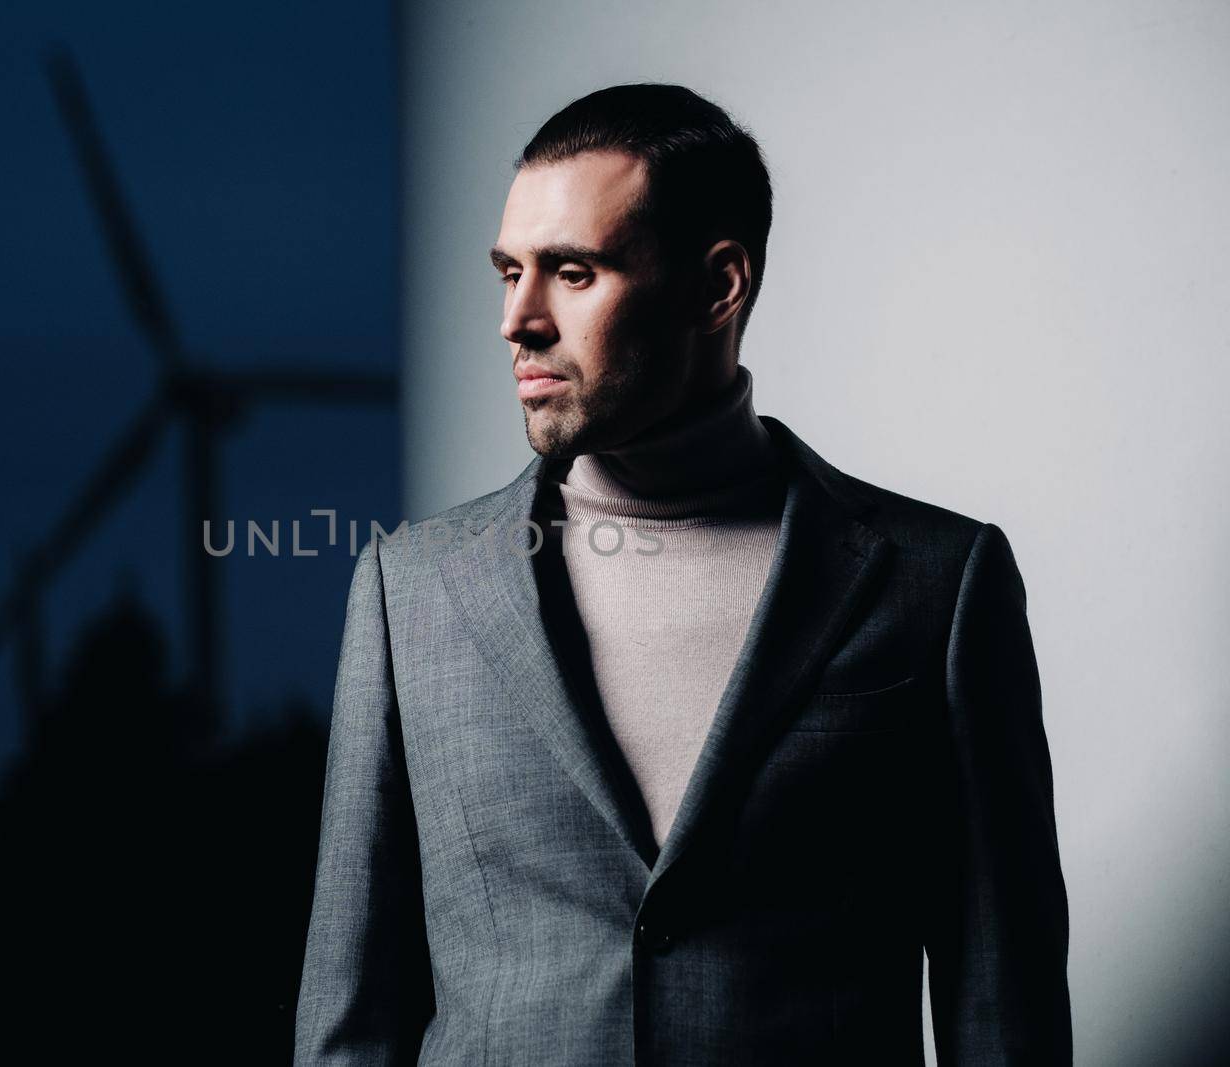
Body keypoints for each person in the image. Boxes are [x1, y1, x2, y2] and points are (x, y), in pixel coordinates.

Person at [294, 84, 1072, 1065]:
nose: (517, 320)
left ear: (718, 287)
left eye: (571, 272)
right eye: (507, 272)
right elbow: (351, 1016)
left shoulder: (939, 583)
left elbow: (1003, 1012)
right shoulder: (409, 586)